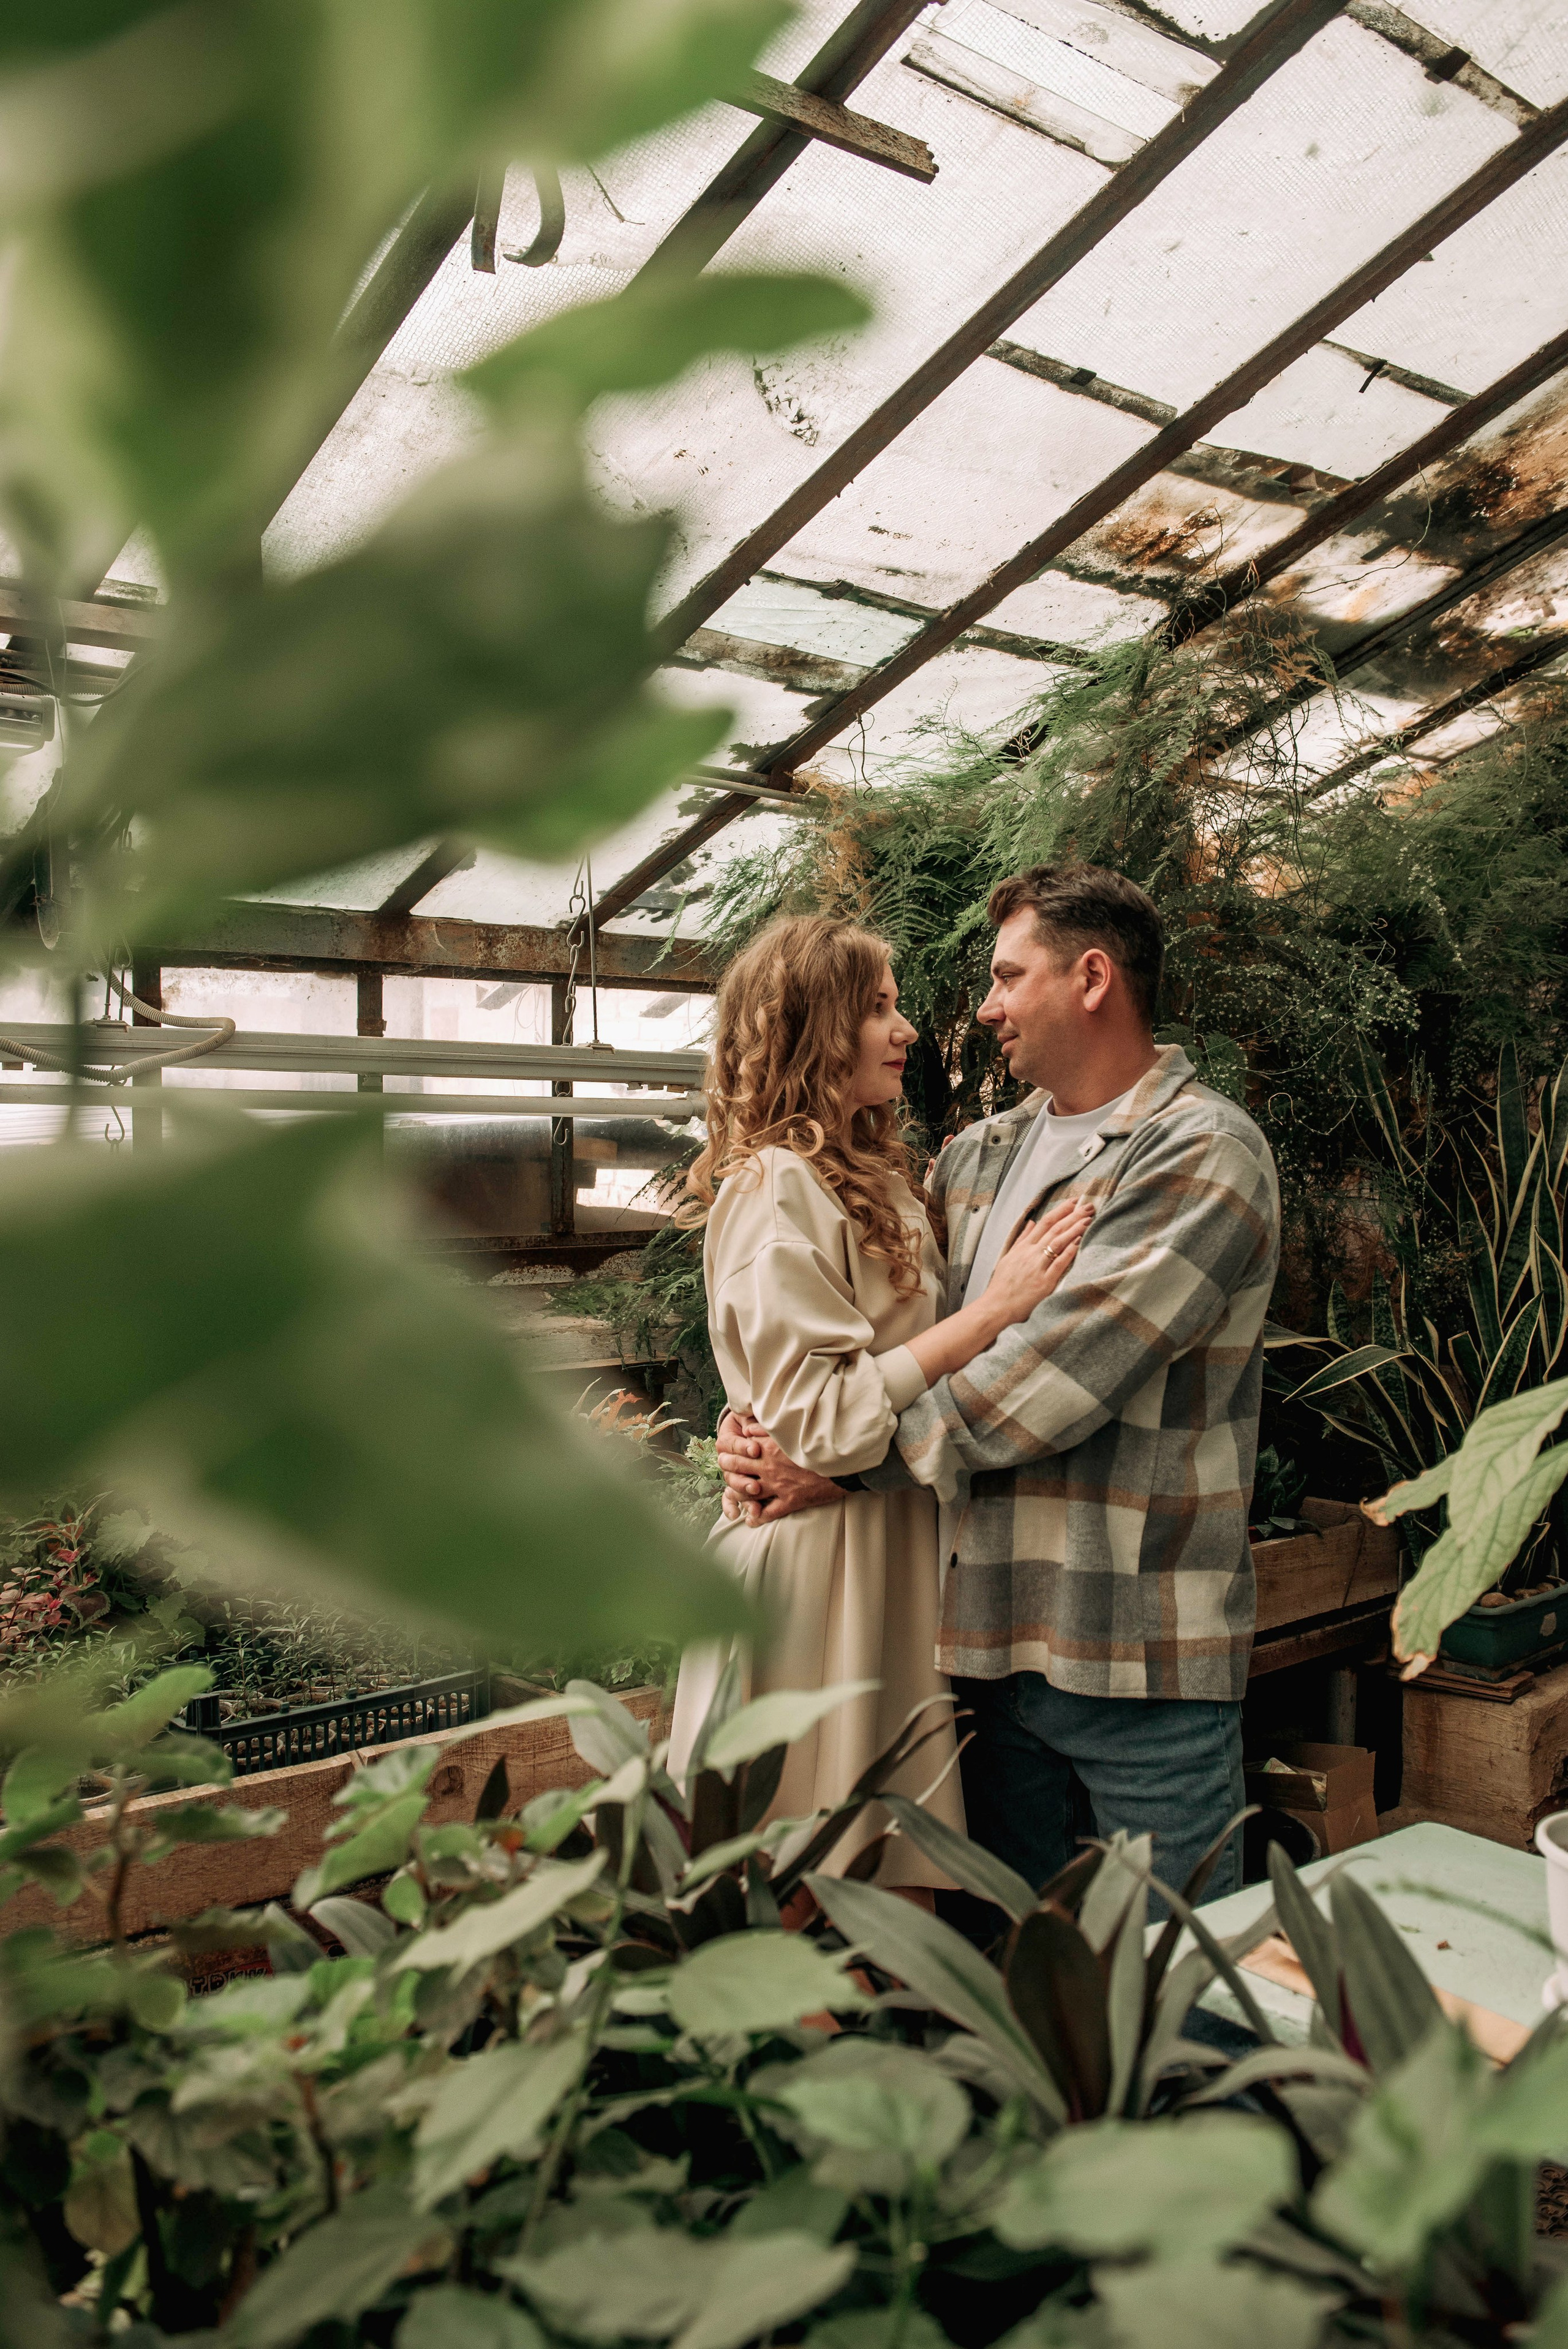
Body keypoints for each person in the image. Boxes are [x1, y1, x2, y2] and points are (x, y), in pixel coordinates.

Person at [717, 865, 1281, 1912]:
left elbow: (1055, 1376)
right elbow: (884, 1337)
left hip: (1130, 1648)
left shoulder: (1202, 1153)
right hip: (974, 1639)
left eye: (1008, 977)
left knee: (1183, 1973)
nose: (983, 1008)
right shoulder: (977, 1155)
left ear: (1093, 979)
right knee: (1005, 1967)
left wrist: (837, 1466)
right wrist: (765, 1415)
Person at [667, 913, 1093, 1893]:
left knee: (886, 1888)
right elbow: (821, 1420)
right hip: (816, 1575)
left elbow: (818, 1384)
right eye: (877, 1009)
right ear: (814, 1031)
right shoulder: (774, 1186)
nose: (905, 1030)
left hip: (884, 1555)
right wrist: (993, 1312)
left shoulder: (874, 1178)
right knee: (791, 1887)